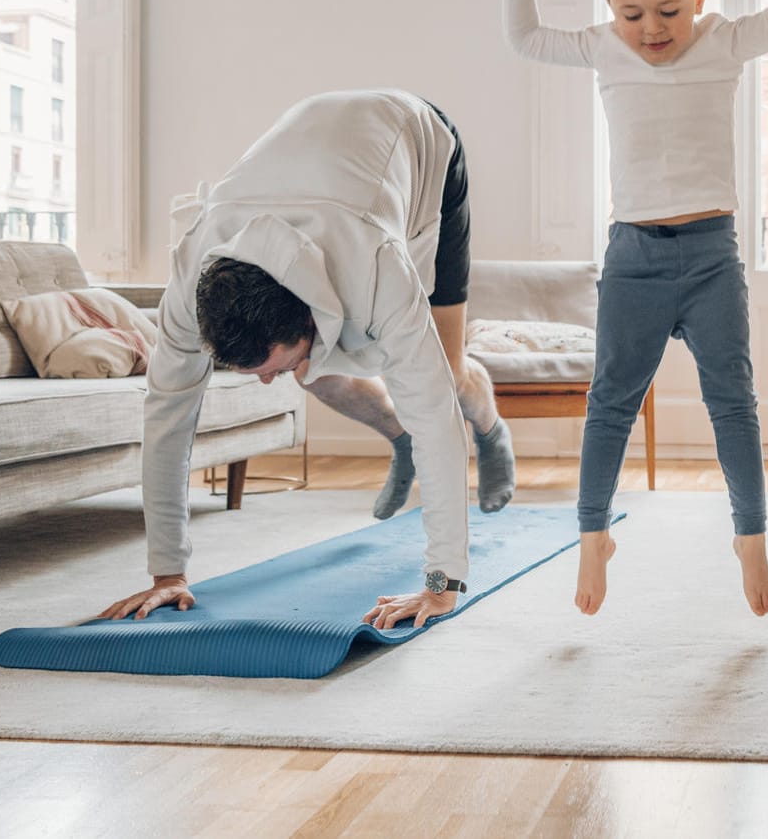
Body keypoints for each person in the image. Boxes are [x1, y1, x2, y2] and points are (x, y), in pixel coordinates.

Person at [499, 0, 768, 617]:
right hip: (634, 257)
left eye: (669, 12)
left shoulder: (725, 40)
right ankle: (592, 538)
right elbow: (523, 37)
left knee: (732, 400)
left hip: (712, 254)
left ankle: (750, 536)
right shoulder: (600, 47)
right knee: (610, 400)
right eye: (632, 14)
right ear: (612, 8)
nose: (651, 30)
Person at [98, 89, 516, 632]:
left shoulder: (377, 267)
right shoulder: (190, 277)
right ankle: (397, 437)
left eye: (269, 366)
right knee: (313, 376)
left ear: (308, 320)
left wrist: (442, 584)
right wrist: (167, 574)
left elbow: (435, 414)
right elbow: (166, 421)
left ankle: (491, 429)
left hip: (420, 145)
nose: (268, 382)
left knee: (448, 375)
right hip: (317, 164)